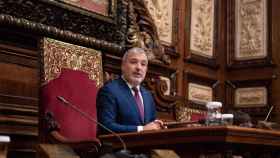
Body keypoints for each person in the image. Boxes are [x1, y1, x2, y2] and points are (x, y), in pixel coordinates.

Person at [97, 47, 164, 133]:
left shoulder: (148, 95)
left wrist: (157, 125)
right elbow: (106, 126)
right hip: (120, 145)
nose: (139, 68)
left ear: (146, 69)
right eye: (133, 62)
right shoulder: (109, 91)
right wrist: (141, 129)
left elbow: (150, 125)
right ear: (123, 66)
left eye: (143, 64)